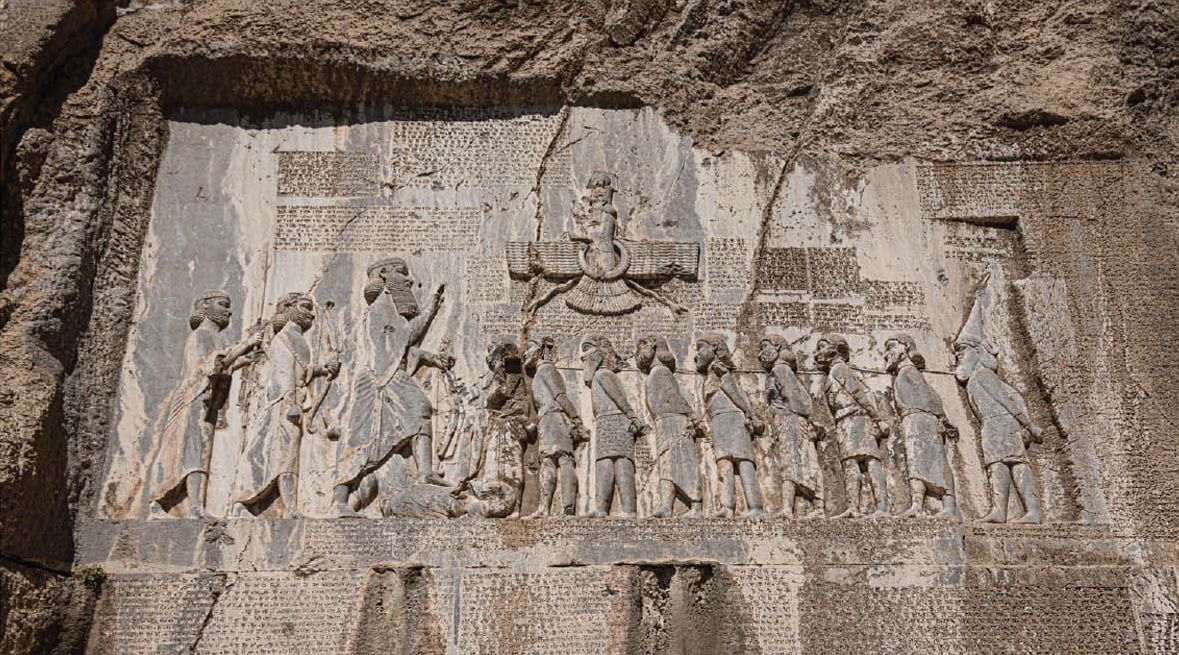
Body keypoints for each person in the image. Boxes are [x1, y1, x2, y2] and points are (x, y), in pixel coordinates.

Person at [329, 258, 448, 517]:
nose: (409, 280)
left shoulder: (387, 308)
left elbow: (401, 344)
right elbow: (403, 339)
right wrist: (431, 309)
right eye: (402, 273)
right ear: (385, 274)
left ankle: (425, 472)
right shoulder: (382, 305)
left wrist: (429, 352)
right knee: (361, 439)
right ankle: (339, 501)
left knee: (415, 414)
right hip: (380, 379)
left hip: (388, 375)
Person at [146, 291, 260, 518]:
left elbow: (222, 367)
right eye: (222, 304)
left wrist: (242, 361)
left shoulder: (217, 337)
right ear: (206, 306)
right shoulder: (201, 335)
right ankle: (176, 504)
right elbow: (208, 366)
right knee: (190, 450)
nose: (229, 311)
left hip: (205, 398)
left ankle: (195, 505)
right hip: (192, 397)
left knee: (200, 450)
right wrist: (245, 345)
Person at [230, 293, 337, 518]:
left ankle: (288, 505)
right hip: (283, 404)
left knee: (289, 455)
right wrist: (291, 403)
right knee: (277, 454)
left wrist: (322, 369)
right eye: (305, 306)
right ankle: (249, 502)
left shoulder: (297, 339)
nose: (311, 313)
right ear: (289, 308)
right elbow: (283, 373)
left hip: (292, 401)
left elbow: (301, 370)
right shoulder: (284, 338)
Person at [954, 293, 1044, 523]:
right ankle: (1000, 511)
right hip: (991, 424)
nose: (958, 358)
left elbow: (1007, 400)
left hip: (1003, 422)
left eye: (962, 352)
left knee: (1017, 462)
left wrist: (1028, 425)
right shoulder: (974, 377)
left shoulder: (983, 375)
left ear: (975, 352)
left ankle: (1032, 511)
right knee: (997, 464)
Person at [884, 333, 961, 520]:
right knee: (915, 462)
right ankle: (916, 504)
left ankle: (950, 506)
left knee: (936, 460)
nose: (887, 354)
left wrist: (941, 418)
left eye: (891, 347)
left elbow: (930, 396)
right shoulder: (903, 373)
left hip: (923, 420)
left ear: (906, 348)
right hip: (911, 421)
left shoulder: (910, 371)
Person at [816, 333, 890, 519]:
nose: (817, 353)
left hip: (857, 418)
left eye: (821, 347)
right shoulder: (834, 372)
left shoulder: (840, 369)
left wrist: (877, 418)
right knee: (850, 463)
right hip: (844, 421)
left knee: (870, 460)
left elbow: (859, 394)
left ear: (834, 350)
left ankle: (881, 506)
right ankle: (853, 507)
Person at [695, 333, 764, 518]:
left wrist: (749, 413)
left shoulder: (721, 371)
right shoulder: (711, 373)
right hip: (718, 421)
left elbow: (733, 392)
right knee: (723, 462)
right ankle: (727, 507)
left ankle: (755, 507)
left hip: (733, 418)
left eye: (700, 348)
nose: (696, 355)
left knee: (744, 462)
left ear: (715, 348)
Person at [636, 335, 703, 518]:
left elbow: (674, 397)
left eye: (642, 348)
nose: (639, 354)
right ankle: (667, 506)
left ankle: (696, 505)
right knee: (666, 463)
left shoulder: (661, 372)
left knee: (682, 461)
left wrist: (692, 416)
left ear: (655, 348)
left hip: (674, 420)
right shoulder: (655, 373)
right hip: (663, 421)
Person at [758, 335, 823, 519]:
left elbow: (796, 397)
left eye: (764, 346)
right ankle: (813, 507)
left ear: (777, 347)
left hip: (790, 420)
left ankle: (790, 508)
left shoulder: (780, 369)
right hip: (788, 419)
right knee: (803, 460)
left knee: (793, 462)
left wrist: (795, 416)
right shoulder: (781, 370)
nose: (759, 354)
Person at [582, 336, 645, 518]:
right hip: (605, 422)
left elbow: (618, 399)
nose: (583, 356)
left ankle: (629, 510)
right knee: (605, 463)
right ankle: (602, 508)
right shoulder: (600, 376)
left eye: (587, 349)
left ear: (599, 353)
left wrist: (633, 417)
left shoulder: (603, 374)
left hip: (616, 420)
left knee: (621, 463)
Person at [523, 337, 585, 519]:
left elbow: (561, 396)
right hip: (547, 419)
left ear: (541, 351)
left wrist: (576, 419)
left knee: (562, 459)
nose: (525, 353)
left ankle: (566, 508)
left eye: (529, 349)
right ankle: (548, 508)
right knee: (551, 460)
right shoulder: (541, 372)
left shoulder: (547, 369)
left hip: (555, 417)